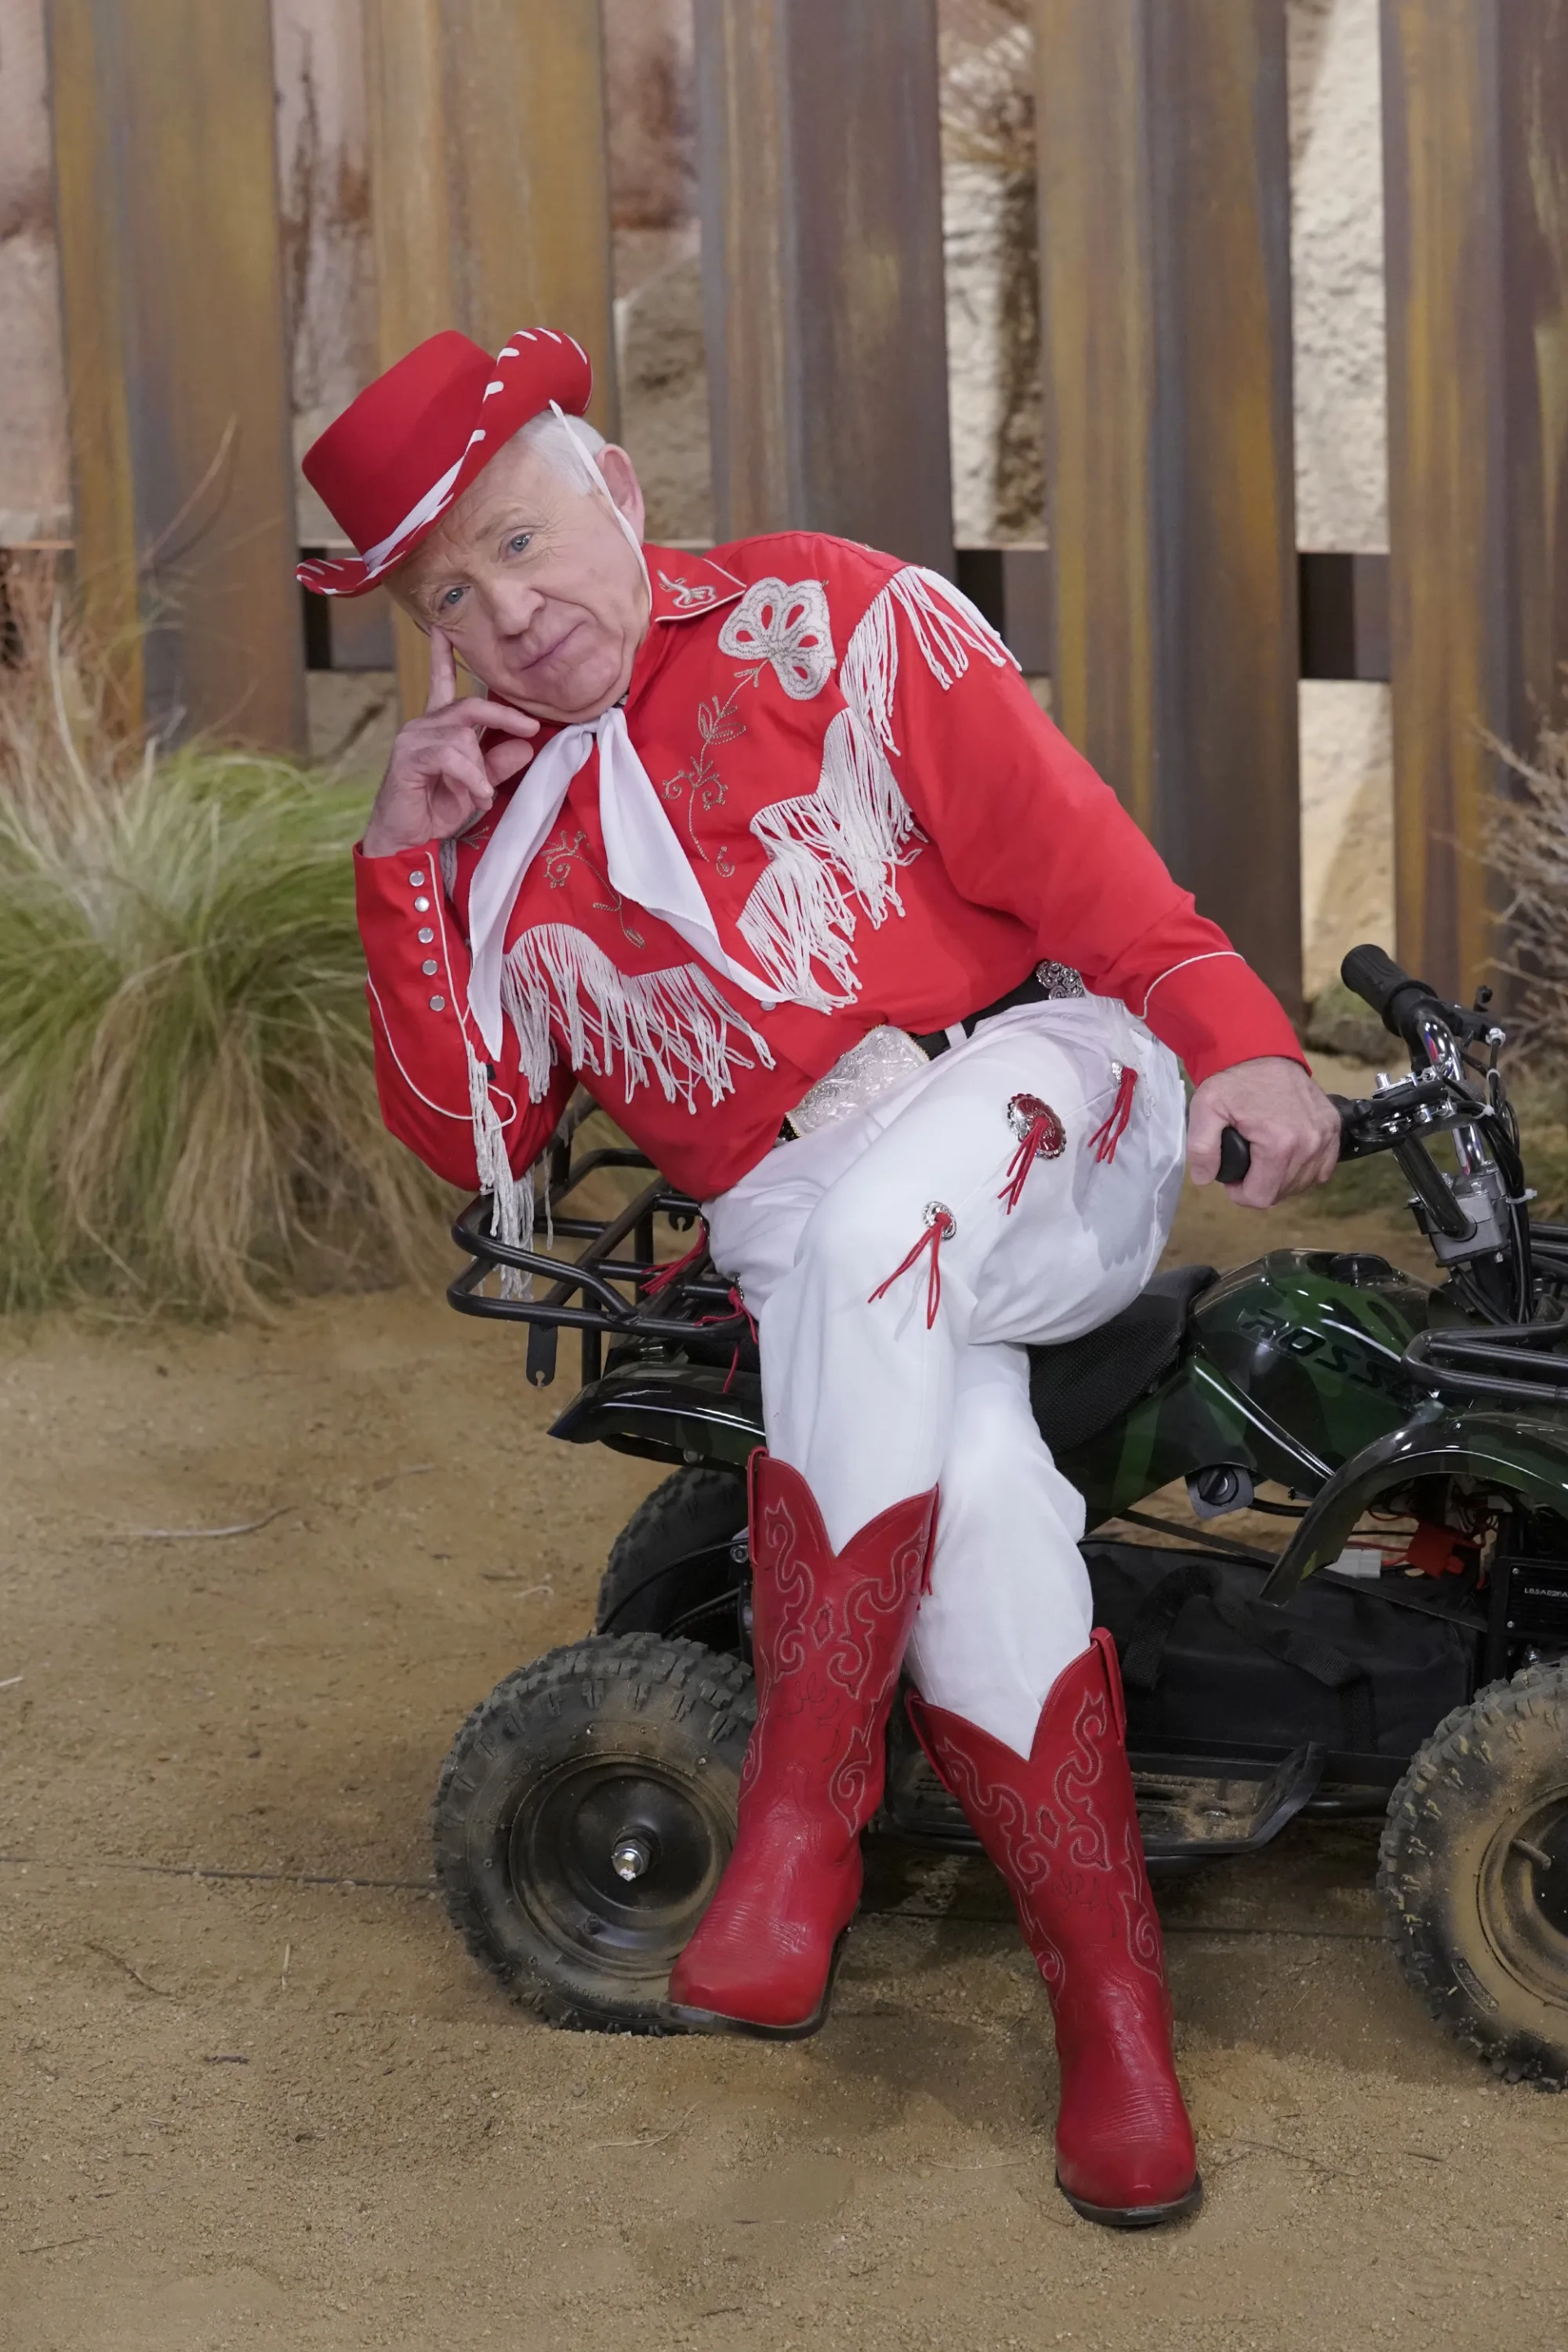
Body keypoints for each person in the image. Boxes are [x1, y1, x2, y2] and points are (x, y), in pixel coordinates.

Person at [300, 326, 1342, 2230]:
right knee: (989, 1510)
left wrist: (1233, 1039)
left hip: (1042, 1102)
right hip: (813, 1238)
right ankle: (1115, 2034)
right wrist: (400, 864)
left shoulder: (840, 621)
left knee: (881, 1235)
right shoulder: (504, 840)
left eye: (521, 545)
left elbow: (1078, 856)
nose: (506, 615)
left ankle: (802, 1804)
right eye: (453, 596)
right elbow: (475, 1140)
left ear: (611, 493)